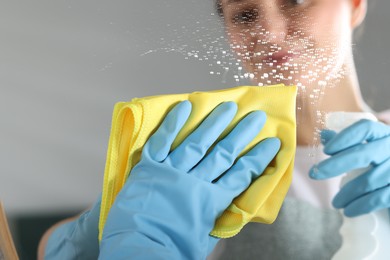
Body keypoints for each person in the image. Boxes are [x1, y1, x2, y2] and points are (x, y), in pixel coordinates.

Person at [38, 0, 390, 259]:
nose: (268, 31)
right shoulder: (213, 155)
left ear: (355, 5)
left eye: (295, 0)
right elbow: (48, 249)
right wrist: (87, 235)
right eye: (245, 14)